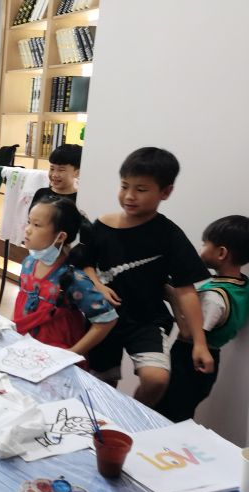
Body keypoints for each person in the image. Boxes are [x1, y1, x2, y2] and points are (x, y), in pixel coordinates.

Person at [81, 147, 214, 406]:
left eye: (141, 189)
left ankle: (133, 418)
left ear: (166, 192)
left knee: (156, 380)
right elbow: (85, 263)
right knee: (101, 382)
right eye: (124, 186)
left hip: (147, 321)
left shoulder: (169, 234)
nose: (129, 196)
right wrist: (97, 285)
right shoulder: (103, 225)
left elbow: (186, 290)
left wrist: (200, 343)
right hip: (103, 318)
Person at [154, 215, 249, 422]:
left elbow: (189, 332)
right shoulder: (241, 286)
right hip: (210, 361)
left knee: (167, 414)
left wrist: (172, 298)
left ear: (222, 253)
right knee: (181, 413)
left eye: (205, 244)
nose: (200, 249)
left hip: (188, 362)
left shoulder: (214, 298)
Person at [15, 196, 118, 360]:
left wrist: (72, 353)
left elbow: (107, 319)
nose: (27, 229)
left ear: (60, 237)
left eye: (36, 225)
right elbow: (22, 301)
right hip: (23, 348)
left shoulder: (73, 277)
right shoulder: (28, 263)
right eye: (29, 222)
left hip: (53, 357)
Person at [29, 143, 82, 210]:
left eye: (61, 170)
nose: (54, 175)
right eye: (52, 169)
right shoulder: (41, 193)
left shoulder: (80, 199)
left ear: (77, 173)